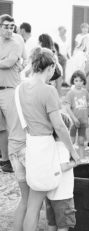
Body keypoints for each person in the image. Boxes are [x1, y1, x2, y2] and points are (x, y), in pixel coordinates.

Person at [17, 47, 79, 231]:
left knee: (33, 204)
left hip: (31, 143)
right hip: (45, 146)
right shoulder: (49, 91)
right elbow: (59, 126)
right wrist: (73, 152)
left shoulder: (22, 87)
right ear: (51, 67)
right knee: (36, 205)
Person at [0, 14, 24, 173]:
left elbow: (9, 63)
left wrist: (5, 60)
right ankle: (5, 160)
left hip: (10, 89)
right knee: (1, 129)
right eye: (6, 26)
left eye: (11, 26)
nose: (9, 30)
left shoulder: (16, 44)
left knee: (14, 127)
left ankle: (17, 159)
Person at [46, 112, 77, 231]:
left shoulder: (50, 145)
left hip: (50, 193)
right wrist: (75, 163)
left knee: (51, 224)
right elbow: (63, 167)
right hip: (63, 195)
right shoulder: (63, 146)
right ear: (66, 129)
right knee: (64, 225)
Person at [64, 70, 89, 159]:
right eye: (76, 81)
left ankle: (82, 159)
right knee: (72, 141)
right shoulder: (71, 93)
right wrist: (74, 119)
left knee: (81, 141)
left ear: (83, 81)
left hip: (83, 121)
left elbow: (86, 104)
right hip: (74, 122)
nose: (78, 83)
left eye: (80, 81)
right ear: (73, 81)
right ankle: (68, 158)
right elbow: (67, 108)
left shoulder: (85, 92)